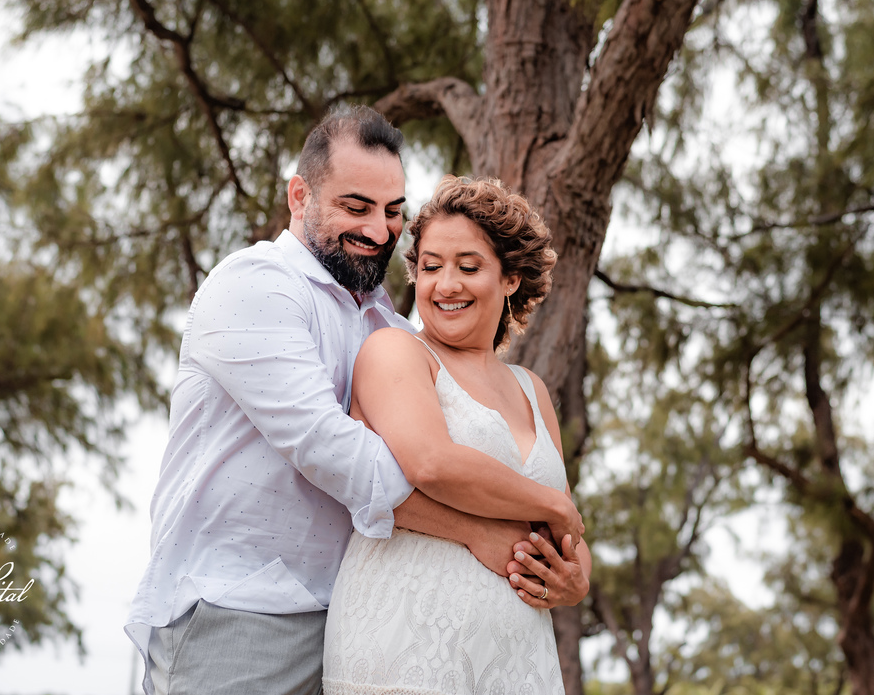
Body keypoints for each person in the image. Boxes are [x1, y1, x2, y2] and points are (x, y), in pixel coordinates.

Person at [125, 107, 585, 695]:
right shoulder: (256, 285)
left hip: (349, 612)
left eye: (392, 211)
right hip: (240, 611)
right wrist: (476, 530)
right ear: (300, 197)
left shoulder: (385, 323)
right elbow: (330, 448)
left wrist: (568, 572)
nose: (379, 230)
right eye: (356, 206)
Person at [323, 176, 593, 695]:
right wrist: (552, 505)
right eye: (431, 267)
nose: (446, 285)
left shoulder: (532, 389)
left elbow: (569, 537)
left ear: (510, 278)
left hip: (517, 662)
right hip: (407, 645)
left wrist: (575, 580)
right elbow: (431, 462)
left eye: (468, 267)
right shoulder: (395, 351)